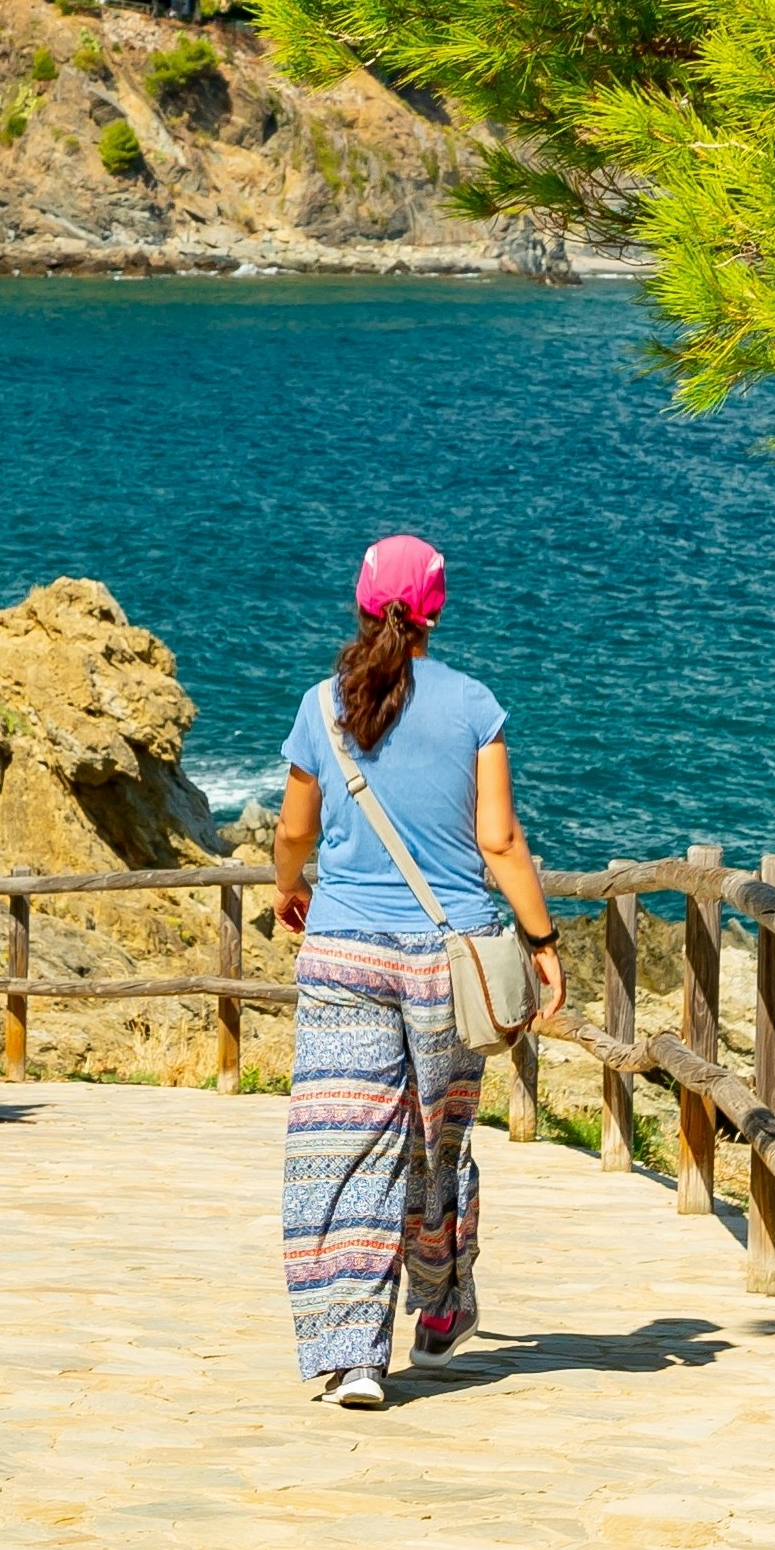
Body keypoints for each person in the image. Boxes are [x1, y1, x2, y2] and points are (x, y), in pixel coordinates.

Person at [267, 533, 561, 1409]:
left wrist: (291, 891)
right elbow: (499, 841)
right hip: (447, 955)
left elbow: (294, 832)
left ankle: (354, 1353)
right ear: (435, 608)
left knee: (343, 1147)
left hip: (344, 951)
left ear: (362, 602)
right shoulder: (475, 706)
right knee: (441, 1138)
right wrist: (543, 944)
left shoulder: (324, 704)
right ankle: (438, 1313)